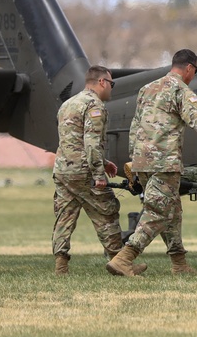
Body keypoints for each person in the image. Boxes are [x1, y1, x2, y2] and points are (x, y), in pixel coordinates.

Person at [107, 49, 197, 277]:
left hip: (143, 162)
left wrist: (134, 159)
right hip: (164, 162)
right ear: (189, 68)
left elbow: (135, 127)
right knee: (158, 212)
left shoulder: (146, 89)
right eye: (195, 71)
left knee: (173, 211)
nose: (194, 75)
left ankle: (179, 264)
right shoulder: (180, 90)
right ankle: (124, 258)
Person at [52, 65, 146, 275]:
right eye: (111, 83)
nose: (112, 88)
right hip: (84, 172)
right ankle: (119, 262)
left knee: (65, 217)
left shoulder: (68, 104)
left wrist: (103, 162)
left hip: (63, 171)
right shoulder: (95, 106)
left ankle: (61, 266)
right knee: (108, 211)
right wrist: (98, 173)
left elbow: (72, 141)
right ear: (102, 82)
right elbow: (91, 142)